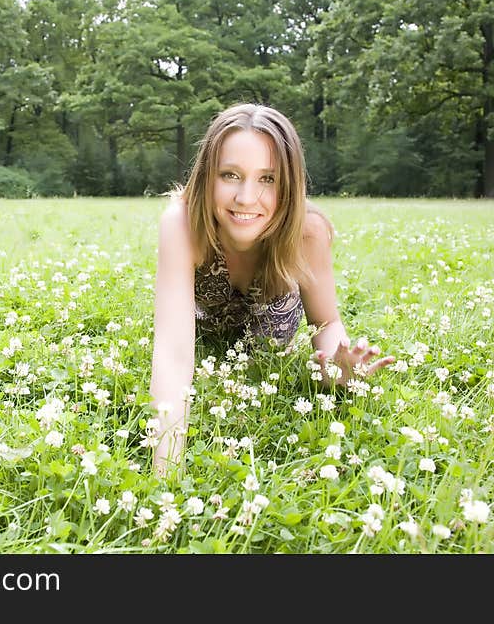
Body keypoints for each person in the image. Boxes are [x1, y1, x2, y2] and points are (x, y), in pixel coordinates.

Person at [149, 103, 395, 475]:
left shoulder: (307, 231)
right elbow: (172, 353)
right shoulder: (182, 223)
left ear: (290, 184)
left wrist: (337, 371)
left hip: (267, 347)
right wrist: (166, 471)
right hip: (205, 330)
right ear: (206, 176)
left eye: (268, 179)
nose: (247, 198)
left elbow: (326, 324)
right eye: (230, 175)